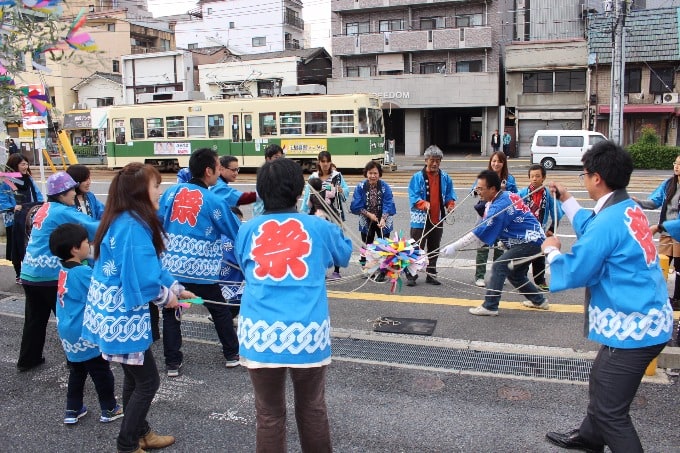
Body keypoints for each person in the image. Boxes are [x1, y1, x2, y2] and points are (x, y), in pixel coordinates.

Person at [541, 141, 672, 453]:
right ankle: (589, 436)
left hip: (636, 326)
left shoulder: (609, 221)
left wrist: (552, 252)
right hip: (645, 316)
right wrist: (569, 200)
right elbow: (595, 226)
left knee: (611, 413)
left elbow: (575, 270)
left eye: (584, 175)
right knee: (601, 378)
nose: (583, 181)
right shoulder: (628, 209)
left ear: (597, 178)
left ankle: (598, 432)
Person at [234, 157, 352, 452]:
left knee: (269, 414)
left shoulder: (248, 230)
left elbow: (242, 266)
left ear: (261, 191)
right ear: (300, 191)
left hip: (259, 332)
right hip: (307, 332)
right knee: (312, 408)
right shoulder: (317, 227)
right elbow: (344, 256)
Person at [82, 162, 192, 453]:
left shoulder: (124, 218)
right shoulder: (133, 225)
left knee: (134, 376)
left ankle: (141, 433)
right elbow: (144, 279)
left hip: (115, 311)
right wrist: (167, 296)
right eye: (156, 185)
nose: (160, 191)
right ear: (140, 191)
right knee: (148, 382)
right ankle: (127, 443)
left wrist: (176, 287)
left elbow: (151, 266)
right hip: (123, 314)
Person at [158, 147, 242, 377]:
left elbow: (156, 223)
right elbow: (235, 231)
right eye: (218, 166)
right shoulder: (213, 200)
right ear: (208, 170)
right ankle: (231, 354)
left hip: (172, 269)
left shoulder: (170, 193)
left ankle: (172, 363)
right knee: (219, 309)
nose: (220, 170)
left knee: (172, 312)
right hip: (202, 270)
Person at [17, 172, 99, 372]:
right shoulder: (63, 212)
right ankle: (76, 361)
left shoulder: (46, 208)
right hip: (50, 275)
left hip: (29, 273)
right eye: (71, 190)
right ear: (62, 194)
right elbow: (94, 227)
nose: (74, 193)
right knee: (68, 316)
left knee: (35, 319)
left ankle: (28, 359)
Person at [442, 169, 547, 316]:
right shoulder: (505, 196)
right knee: (514, 274)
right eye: (477, 188)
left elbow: (478, 233)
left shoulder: (499, 206)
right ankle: (539, 300)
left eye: (481, 188)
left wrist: (455, 246)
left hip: (530, 241)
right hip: (533, 240)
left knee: (499, 265)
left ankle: (490, 306)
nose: (478, 191)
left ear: (492, 189)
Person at [49, 223, 123, 425]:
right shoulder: (81, 274)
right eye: (85, 242)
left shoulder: (64, 269)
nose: (89, 245)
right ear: (75, 248)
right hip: (83, 330)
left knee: (77, 370)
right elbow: (102, 286)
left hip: (67, 330)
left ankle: (72, 409)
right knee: (101, 371)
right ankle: (109, 408)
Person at [633, 154, 680, 310]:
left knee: (679, 269)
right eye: (676, 163)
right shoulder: (669, 184)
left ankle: (677, 299)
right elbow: (655, 201)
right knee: (660, 265)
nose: (676, 167)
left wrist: (660, 227)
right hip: (666, 232)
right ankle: (657, 296)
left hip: (677, 233)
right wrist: (638, 202)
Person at [407, 145, 457, 286]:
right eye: (432, 160)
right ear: (425, 160)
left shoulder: (445, 177)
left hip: (437, 217)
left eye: (438, 160)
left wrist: (450, 205)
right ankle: (412, 274)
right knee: (416, 246)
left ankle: (431, 274)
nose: (435, 163)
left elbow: (449, 195)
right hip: (420, 219)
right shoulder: (417, 177)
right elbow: (413, 195)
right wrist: (423, 203)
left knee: (434, 247)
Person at [300, 150, 350, 280]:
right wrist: (304, 213)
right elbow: (307, 196)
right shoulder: (313, 177)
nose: (326, 164)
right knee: (318, 242)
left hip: (333, 214)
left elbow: (346, 191)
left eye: (328, 161)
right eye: (323, 161)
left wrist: (341, 190)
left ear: (331, 162)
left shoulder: (337, 176)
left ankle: (337, 270)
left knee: (335, 240)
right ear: (319, 162)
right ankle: (320, 270)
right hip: (315, 215)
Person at [473, 151, 517, 287]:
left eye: (499, 161)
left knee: (500, 247)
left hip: (502, 218)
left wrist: (504, 191)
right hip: (485, 216)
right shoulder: (484, 177)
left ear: (504, 163)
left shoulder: (509, 179)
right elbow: (473, 191)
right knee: (483, 246)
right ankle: (479, 276)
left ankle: (497, 276)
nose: (496, 164)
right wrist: (478, 190)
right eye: (493, 161)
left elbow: (516, 196)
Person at [0, 153, 44, 283]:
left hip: (29, 216)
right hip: (13, 219)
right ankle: (18, 273)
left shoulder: (28, 179)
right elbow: (2, 198)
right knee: (16, 246)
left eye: (26, 164)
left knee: (29, 244)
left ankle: (29, 271)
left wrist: (40, 205)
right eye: (22, 164)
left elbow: (37, 194)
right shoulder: (7, 180)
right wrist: (13, 207)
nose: (26, 166)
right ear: (15, 165)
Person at [350, 161, 397, 282]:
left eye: (375, 173)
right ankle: (366, 268)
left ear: (379, 174)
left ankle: (383, 270)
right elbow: (355, 205)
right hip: (366, 218)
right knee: (366, 244)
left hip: (383, 218)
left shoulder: (385, 187)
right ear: (366, 173)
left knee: (385, 245)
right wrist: (368, 214)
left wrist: (383, 218)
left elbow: (389, 203)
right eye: (370, 173)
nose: (373, 176)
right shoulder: (360, 187)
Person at [518, 164, 563, 291]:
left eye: (538, 176)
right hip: (524, 231)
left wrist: (552, 228)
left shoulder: (548, 194)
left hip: (540, 231)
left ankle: (540, 280)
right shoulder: (523, 193)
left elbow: (557, 212)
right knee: (523, 256)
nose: (534, 179)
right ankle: (522, 280)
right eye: (532, 176)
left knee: (539, 257)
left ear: (543, 178)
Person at [252, 144, 285, 217]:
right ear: (268, 159)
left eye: (281, 157)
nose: (280, 160)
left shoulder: (281, 172)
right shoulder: (265, 174)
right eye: (276, 157)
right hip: (264, 214)